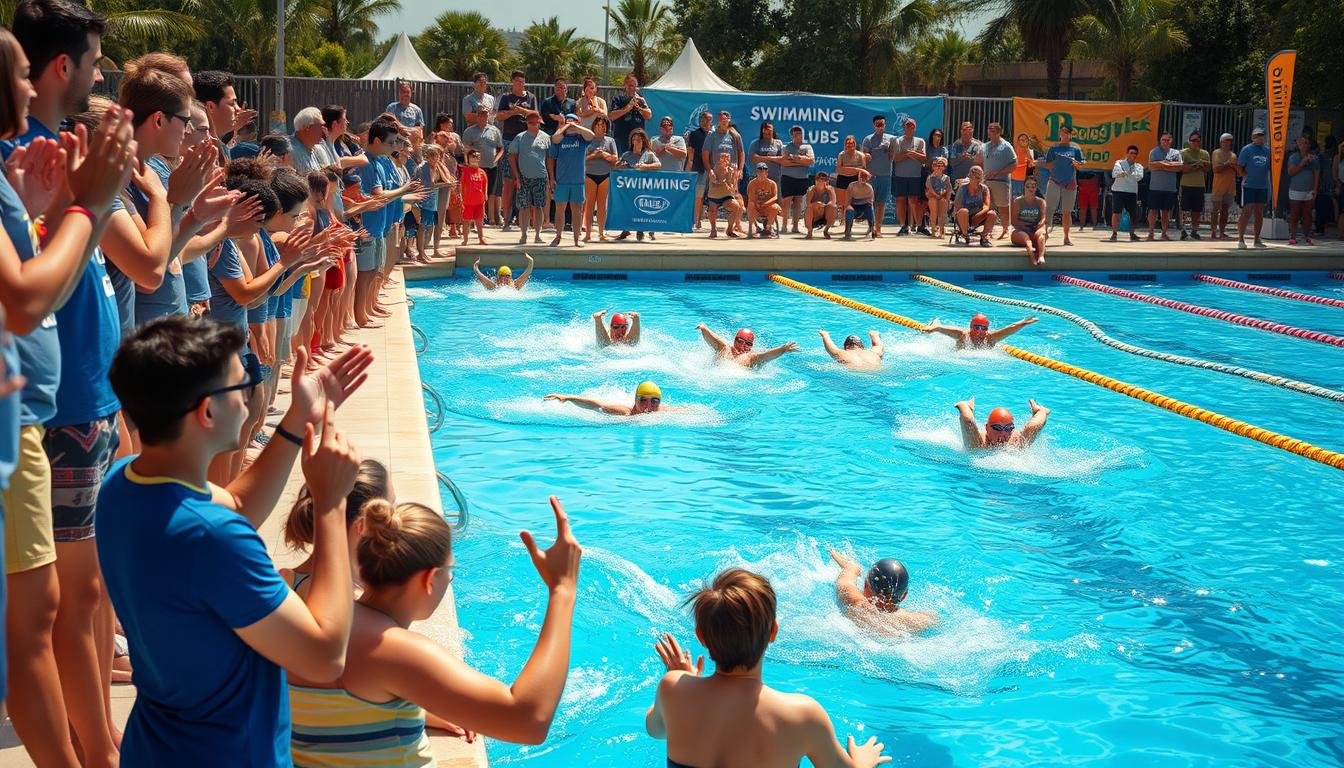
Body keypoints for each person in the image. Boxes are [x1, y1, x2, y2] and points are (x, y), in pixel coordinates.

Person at [99, 315, 372, 766]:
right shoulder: (214, 537)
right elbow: (323, 657)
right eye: (241, 385)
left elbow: (239, 504)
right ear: (206, 411)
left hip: (154, 747)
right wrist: (331, 503)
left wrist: (296, 419)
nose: (250, 397)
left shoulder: (121, 485)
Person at [0, 17, 135, 764]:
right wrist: (87, 204)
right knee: (42, 616)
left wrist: (51, 207)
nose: (26, 87)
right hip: (38, 413)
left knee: (54, 604)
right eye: (16, 75)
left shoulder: (17, 170)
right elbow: (26, 299)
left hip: (50, 406)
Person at [287, 491, 580, 759]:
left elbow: (339, 706)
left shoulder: (313, 619)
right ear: (429, 578)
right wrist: (562, 590)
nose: (449, 579)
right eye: (449, 570)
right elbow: (528, 722)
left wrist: (419, 703)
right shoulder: (394, 650)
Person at [647, 569, 891, 768]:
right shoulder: (802, 715)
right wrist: (861, 762)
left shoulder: (672, 689)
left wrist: (681, 678)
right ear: (773, 632)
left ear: (701, 636)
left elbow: (656, 730)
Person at [828, 550, 936, 634]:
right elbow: (933, 618)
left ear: (866, 585)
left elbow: (845, 580)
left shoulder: (852, 601)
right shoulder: (918, 621)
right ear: (904, 596)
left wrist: (852, 567)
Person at [497, 70, 539, 233]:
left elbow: (536, 115)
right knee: (509, 181)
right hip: (509, 140)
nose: (520, 83)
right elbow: (499, 116)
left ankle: (528, 222)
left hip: (527, 141)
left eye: (522, 81)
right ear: (512, 82)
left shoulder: (531, 97)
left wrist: (521, 111)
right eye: (517, 81)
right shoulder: (506, 98)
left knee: (528, 180)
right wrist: (511, 112)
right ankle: (506, 220)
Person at [548, 113, 593, 248]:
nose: (571, 125)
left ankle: (576, 239)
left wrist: (577, 126)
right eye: (569, 122)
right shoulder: (560, 139)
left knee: (577, 211)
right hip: (562, 181)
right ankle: (558, 236)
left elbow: (591, 135)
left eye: (573, 122)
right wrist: (565, 126)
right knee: (559, 210)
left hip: (578, 181)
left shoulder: (582, 139)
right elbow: (554, 139)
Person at [509, 112, 551, 245]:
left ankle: (538, 235)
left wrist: (550, 176)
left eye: (536, 122)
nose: (534, 125)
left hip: (540, 177)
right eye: (531, 123)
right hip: (524, 177)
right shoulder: (519, 137)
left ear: (539, 123)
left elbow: (549, 159)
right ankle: (523, 235)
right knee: (524, 207)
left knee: (539, 206)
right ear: (527, 123)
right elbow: (512, 156)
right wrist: (517, 176)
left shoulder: (546, 137)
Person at [462, 103, 504, 228]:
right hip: (476, 168)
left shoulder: (495, 130)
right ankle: (475, 219)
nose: (483, 116)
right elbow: (466, 149)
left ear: (489, 115)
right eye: (480, 113)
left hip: (492, 166)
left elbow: (501, 148)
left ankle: (491, 218)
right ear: (476, 115)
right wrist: (469, 164)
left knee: (491, 193)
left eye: (485, 113)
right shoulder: (469, 131)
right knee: (476, 193)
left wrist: (496, 159)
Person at [954, 397, 1050, 451]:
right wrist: (963, 407)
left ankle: (1039, 409)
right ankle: (967, 405)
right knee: (969, 422)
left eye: (1008, 428)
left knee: (1034, 427)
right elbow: (967, 420)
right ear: (987, 428)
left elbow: (1035, 426)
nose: (1003, 434)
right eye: (998, 428)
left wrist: (1041, 412)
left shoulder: (1016, 443)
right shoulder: (978, 444)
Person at [617, 128, 662, 241]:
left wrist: (645, 166)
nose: (636, 142)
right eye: (634, 139)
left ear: (643, 141)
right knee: (628, 208)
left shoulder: (648, 154)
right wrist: (620, 165)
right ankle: (626, 229)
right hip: (629, 189)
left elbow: (658, 164)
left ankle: (642, 230)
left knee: (643, 208)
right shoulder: (627, 154)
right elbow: (617, 165)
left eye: (639, 140)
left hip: (644, 188)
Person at [1042, 125, 1084, 246]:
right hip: (1054, 181)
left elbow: (1081, 165)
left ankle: (1066, 237)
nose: (1065, 134)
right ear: (1059, 133)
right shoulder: (1053, 148)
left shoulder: (1075, 149)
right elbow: (1047, 165)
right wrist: (1056, 161)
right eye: (1063, 132)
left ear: (1070, 134)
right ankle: (1044, 234)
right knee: (1049, 209)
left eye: (1067, 132)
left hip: (1070, 183)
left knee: (1067, 212)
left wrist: (1077, 164)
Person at [583, 116, 618, 242]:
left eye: (603, 125)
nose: (601, 127)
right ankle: (587, 234)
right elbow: (583, 158)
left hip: (605, 175)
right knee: (589, 205)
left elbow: (615, 158)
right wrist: (594, 155)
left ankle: (601, 233)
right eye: (598, 125)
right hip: (590, 175)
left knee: (602, 205)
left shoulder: (610, 141)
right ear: (594, 126)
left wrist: (604, 155)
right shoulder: (588, 140)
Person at [697, 325, 799, 368]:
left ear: (751, 346)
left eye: (747, 344)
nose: (742, 345)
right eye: (740, 341)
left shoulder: (751, 358)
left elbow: (766, 355)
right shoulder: (724, 349)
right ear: (735, 340)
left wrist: (783, 349)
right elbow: (714, 339)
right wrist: (704, 328)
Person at [545, 381, 667, 416]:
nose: (649, 405)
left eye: (654, 401)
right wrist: (568, 397)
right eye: (643, 400)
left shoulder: (661, 411)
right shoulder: (625, 412)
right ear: (635, 401)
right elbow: (598, 405)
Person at [859, 115, 894, 237]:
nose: (880, 126)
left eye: (882, 124)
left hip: (885, 175)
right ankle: (871, 227)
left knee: (881, 202)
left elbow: (893, 155)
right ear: (874, 125)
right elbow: (864, 156)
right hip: (871, 176)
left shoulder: (891, 139)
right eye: (878, 124)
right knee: (870, 202)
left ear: (885, 125)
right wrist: (866, 156)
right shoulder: (868, 139)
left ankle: (878, 228)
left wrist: (891, 150)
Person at [981, 122, 1017, 240]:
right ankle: (988, 230)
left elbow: (1014, 165)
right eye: (989, 129)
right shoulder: (985, 146)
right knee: (988, 207)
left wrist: (998, 172)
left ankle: (1006, 230)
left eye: (994, 129)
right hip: (986, 182)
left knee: (1003, 208)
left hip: (1001, 182)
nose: (991, 131)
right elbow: (980, 161)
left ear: (999, 132)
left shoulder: (1006, 146)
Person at [922, 313, 1037, 349]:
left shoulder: (991, 337)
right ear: (971, 326)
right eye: (977, 327)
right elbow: (941, 329)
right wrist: (934, 328)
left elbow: (1009, 329)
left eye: (984, 328)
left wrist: (1024, 323)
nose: (980, 331)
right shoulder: (962, 335)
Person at [1235, 127, 1270, 249]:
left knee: (1259, 212)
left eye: (1261, 135)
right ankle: (1240, 239)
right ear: (1252, 137)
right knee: (1247, 211)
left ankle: (1257, 239)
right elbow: (1239, 166)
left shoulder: (1267, 151)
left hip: (1262, 186)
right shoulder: (1247, 149)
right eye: (1257, 135)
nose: (1259, 137)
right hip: (1249, 185)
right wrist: (1244, 176)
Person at [891, 116, 926, 236]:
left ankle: (918, 226)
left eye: (912, 125)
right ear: (904, 127)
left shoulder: (920, 141)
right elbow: (896, 159)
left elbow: (923, 159)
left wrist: (911, 153)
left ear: (915, 128)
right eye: (908, 125)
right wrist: (909, 154)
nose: (910, 127)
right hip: (900, 176)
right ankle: (903, 226)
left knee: (913, 201)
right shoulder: (898, 141)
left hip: (915, 176)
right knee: (900, 201)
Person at [1146, 131, 1183, 241]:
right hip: (1156, 187)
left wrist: (1162, 164)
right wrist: (1169, 165)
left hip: (1170, 187)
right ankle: (1151, 233)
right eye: (1163, 139)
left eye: (1168, 140)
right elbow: (1151, 166)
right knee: (1153, 210)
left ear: (1171, 141)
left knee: (1166, 212)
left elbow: (1180, 166)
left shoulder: (1176, 153)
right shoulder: (1154, 152)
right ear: (1160, 140)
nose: (1165, 142)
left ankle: (1164, 233)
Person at [749, 121, 784, 231]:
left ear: (773, 130)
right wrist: (772, 158)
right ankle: (756, 226)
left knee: (772, 203)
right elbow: (753, 158)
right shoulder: (756, 143)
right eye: (765, 128)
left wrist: (764, 157)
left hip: (774, 178)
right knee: (755, 202)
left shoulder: (778, 143)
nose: (767, 130)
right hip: (759, 179)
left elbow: (782, 159)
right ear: (762, 130)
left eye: (769, 128)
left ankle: (770, 226)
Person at [780, 125, 814, 233]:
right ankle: (784, 226)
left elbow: (811, 161)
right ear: (792, 135)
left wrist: (795, 158)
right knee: (786, 202)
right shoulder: (786, 147)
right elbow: (784, 162)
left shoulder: (807, 147)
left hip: (801, 178)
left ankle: (795, 226)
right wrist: (802, 161)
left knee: (798, 202)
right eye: (795, 134)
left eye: (800, 133)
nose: (798, 135)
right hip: (787, 177)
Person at [1286, 135, 1319, 245]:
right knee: (1295, 213)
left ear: (1309, 145)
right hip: (1296, 189)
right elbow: (1291, 172)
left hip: (1309, 190)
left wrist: (1315, 189)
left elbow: (1316, 174)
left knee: (1307, 214)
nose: (1303, 145)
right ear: (1298, 145)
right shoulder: (1293, 157)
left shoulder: (1314, 158)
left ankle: (1307, 236)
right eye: (1301, 143)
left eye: (1305, 143)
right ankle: (1293, 235)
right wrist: (1303, 162)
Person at [1177, 131, 1210, 240]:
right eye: (1193, 140)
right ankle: (1183, 229)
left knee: (1197, 209)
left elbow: (1207, 169)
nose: (1195, 142)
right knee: (1184, 208)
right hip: (1186, 184)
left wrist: (1202, 167)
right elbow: (1182, 169)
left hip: (1199, 185)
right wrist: (1196, 165)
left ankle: (1194, 230)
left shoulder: (1205, 153)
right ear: (1189, 141)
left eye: (1197, 140)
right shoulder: (1183, 153)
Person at [952, 166, 996, 247]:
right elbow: (957, 206)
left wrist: (976, 218)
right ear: (969, 175)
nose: (976, 176)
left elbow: (986, 206)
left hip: (978, 215)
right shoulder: (962, 188)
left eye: (979, 174)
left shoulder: (984, 189)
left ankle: (984, 237)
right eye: (973, 173)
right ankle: (965, 234)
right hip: (963, 216)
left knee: (992, 214)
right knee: (964, 211)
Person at [609, 72, 651, 153]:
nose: (633, 88)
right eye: (631, 85)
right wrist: (628, 108)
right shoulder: (618, 99)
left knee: (638, 164)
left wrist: (639, 108)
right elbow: (611, 116)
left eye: (635, 86)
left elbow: (649, 115)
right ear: (625, 86)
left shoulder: (641, 100)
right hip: (622, 141)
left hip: (638, 142)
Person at [1011, 176, 1049, 265]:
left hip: (1035, 229)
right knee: (1027, 240)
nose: (1030, 188)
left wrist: (1040, 223)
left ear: (1036, 188)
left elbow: (1044, 217)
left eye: (1033, 186)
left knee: (1041, 236)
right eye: (1028, 186)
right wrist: (1025, 226)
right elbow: (1013, 221)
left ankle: (1041, 256)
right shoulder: (1018, 201)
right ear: (1024, 187)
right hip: (1022, 230)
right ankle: (1033, 259)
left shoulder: (1041, 202)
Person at [1109, 145, 1144, 243]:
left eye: (1135, 153)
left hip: (1131, 191)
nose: (1133, 155)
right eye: (1131, 153)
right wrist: (1127, 173)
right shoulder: (1119, 163)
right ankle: (1114, 233)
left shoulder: (1139, 166)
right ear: (1127, 154)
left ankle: (1132, 234)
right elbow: (1115, 173)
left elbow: (1138, 177)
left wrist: (1125, 173)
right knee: (1117, 212)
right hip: (1118, 190)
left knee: (1133, 214)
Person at [706, 150, 742, 239]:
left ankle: (729, 230)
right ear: (718, 159)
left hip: (726, 196)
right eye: (723, 158)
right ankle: (713, 229)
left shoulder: (731, 170)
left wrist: (734, 176)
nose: (725, 160)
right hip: (714, 195)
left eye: (727, 158)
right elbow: (717, 182)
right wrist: (724, 180)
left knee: (736, 206)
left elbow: (733, 188)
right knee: (712, 209)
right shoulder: (713, 170)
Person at [686, 111, 713, 229]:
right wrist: (690, 166)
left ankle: (706, 220)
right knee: (698, 196)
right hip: (699, 169)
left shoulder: (714, 134)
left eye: (708, 119)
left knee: (713, 197)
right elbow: (690, 151)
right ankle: (696, 221)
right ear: (700, 120)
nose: (705, 121)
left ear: (711, 121)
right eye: (703, 118)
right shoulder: (694, 134)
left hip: (713, 170)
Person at [459, 149, 488, 245]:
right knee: (466, 221)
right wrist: (461, 197)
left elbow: (485, 185)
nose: (475, 158)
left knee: (479, 221)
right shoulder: (466, 171)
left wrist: (485, 196)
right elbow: (461, 185)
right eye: (473, 156)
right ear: (468, 158)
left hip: (479, 201)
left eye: (477, 156)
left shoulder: (482, 172)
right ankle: (465, 239)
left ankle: (481, 238)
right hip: (468, 201)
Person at [746, 163, 782, 238]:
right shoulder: (752, 183)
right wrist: (757, 203)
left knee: (775, 207)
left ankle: (768, 227)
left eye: (764, 172)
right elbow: (751, 197)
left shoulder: (772, 184)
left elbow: (775, 197)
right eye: (760, 172)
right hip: (756, 207)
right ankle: (753, 227)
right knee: (750, 204)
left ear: (767, 173)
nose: (762, 174)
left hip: (767, 206)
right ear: (756, 173)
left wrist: (765, 204)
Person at [818, 330, 883, 370]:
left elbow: (829, 346)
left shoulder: (840, 353)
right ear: (862, 346)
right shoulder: (873, 353)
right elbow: (878, 345)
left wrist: (824, 334)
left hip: (854, 374)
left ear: (846, 347)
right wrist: (874, 335)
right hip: (876, 371)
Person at [834, 134, 866, 214]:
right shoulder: (841, 154)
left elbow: (863, 169)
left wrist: (847, 169)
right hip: (843, 178)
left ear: (854, 144)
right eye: (847, 143)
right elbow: (838, 169)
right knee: (842, 201)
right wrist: (855, 169)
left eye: (851, 143)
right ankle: (842, 218)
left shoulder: (860, 155)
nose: (849, 145)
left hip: (854, 179)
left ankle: (851, 217)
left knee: (852, 200)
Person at [843, 168, 876, 240]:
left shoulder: (869, 188)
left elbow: (870, 203)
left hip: (864, 207)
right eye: (861, 176)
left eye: (865, 177)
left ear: (867, 178)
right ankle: (848, 231)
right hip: (853, 206)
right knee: (849, 210)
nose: (862, 178)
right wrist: (848, 206)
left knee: (869, 208)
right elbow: (848, 200)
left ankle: (871, 229)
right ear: (858, 177)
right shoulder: (851, 185)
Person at [924, 156, 951, 239]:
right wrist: (936, 195)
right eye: (936, 165)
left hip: (942, 196)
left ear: (944, 167)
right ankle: (933, 230)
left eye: (941, 165)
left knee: (942, 213)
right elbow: (930, 188)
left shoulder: (946, 178)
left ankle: (941, 231)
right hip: (933, 196)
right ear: (933, 167)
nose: (939, 167)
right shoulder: (930, 177)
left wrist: (947, 199)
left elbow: (948, 188)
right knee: (933, 212)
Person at [804, 171, 837, 239]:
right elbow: (808, 203)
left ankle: (826, 230)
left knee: (833, 207)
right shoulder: (811, 189)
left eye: (823, 179)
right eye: (818, 178)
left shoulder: (830, 189)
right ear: (815, 180)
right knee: (809, 209)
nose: (820, 180)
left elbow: (833, 201)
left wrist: (825, 205)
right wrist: (815, 204)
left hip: (825, 213)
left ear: (826, 181)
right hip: (815, 214)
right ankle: (809, 231)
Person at [1010, 131, 1036, 199]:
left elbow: (1031, 165)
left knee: (1019, 199)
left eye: (1026, 140)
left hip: (1022, 179)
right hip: (1012, 178)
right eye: (1022, 140)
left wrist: (1028, 152)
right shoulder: (1014, 150)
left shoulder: (1029, 151)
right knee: (1013, 199)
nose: (1024, 141)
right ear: (1018, 141)